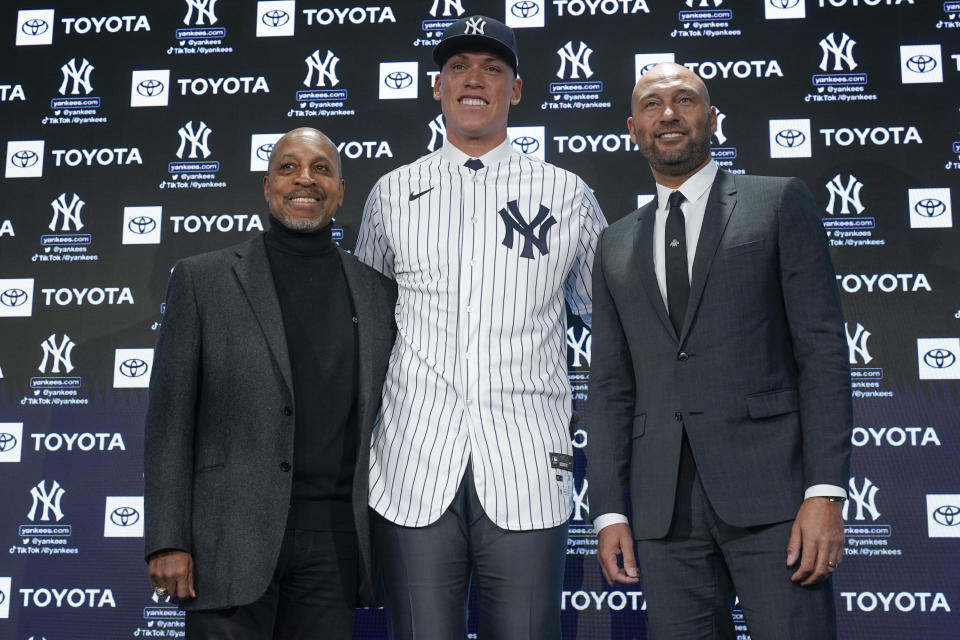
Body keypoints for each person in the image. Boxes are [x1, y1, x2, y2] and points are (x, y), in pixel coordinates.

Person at [354, 15, 606, 640]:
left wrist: (602, 406)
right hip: (412, 461)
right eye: (459, 67)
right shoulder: (391, 193)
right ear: (436, 87)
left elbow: (614, 320)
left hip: (527, 458)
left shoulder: (566, 192)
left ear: (515, 91)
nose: (475, 79)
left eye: (493, 68)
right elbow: (364, 323)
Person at [587, 62, 852, 639]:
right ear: (634, 129)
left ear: (712, 118)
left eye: (685, 100)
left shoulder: (777, 202)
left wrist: (825, 492)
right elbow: (609, 386)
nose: (669, 114)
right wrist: (609, 511)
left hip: (776, 500)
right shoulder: (613, 241)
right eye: (652, 105)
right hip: (663, 515)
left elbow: (823, 354)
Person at [144, 127, 397, 639]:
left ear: (341, 191)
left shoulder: (376, 293)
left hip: (335, 543)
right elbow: (170, 420)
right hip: (227, 540)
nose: (305, 179)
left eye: (321, 169)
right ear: (267, 186)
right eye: (288, 167)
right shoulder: (203, 279)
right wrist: (167, 539)